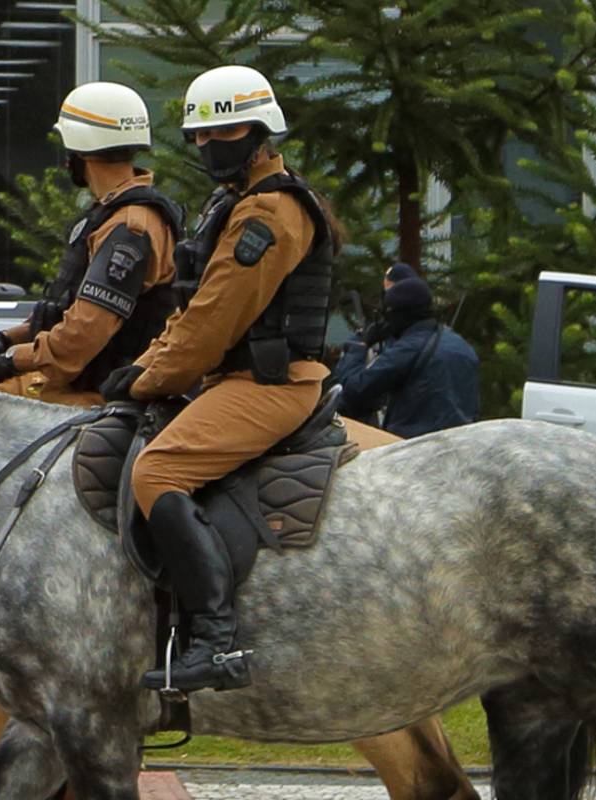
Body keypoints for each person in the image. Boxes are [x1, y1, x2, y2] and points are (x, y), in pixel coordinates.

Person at [101, 65, 341, 692]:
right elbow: (190, 310)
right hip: (230, 381)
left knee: (158, 471)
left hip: (272, 385)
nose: (210, 146)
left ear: (260, 131)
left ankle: (214, 640)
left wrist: (150, 380)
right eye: (199, 137)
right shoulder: (233, 202)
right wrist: (148, 365)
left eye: (224, 131)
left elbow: (213, 322)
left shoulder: (272, 212)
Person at [0, 81, 182, 406]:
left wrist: (13, 360)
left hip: (95, 401)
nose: (66, 158)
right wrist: (5, 338)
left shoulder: (129, 227)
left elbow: (84, 334)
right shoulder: (110, 216)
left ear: (82, 148)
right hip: (72, 392)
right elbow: (66, 310)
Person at [333, 275, 480, 438]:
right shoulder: (461, 344)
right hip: (461, 441)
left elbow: (354, 390)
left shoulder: (409, 348)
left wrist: (358, 346)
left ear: (397, 314)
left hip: (415, 446)